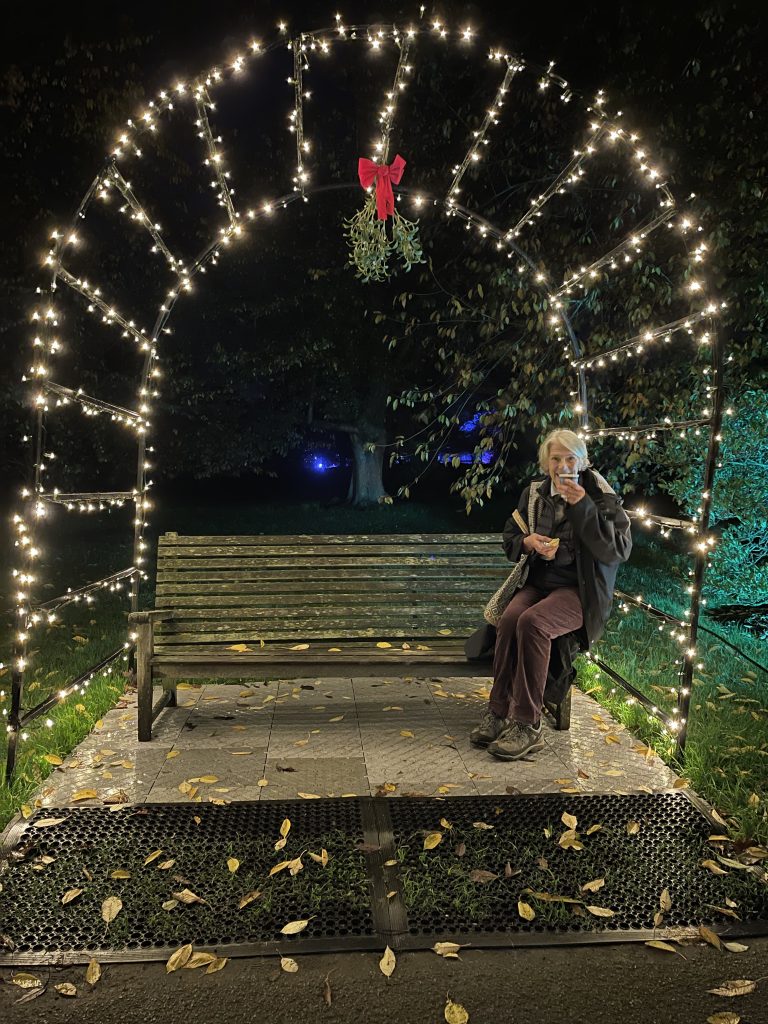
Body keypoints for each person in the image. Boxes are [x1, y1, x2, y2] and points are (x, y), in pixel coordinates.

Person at [469, 429, 632, 760]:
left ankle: (528, 725)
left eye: (570, 458)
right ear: (546, 463)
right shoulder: (534, 494)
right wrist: (527, 543)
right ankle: (498, 712)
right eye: (555, 459)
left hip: (580, 592)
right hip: (539, 582)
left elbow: (617, 550)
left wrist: (581, 506)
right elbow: (512, 532)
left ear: (582, 461)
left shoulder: (600, 496)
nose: (563, 466)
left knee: (533, 622)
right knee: (510, 618)